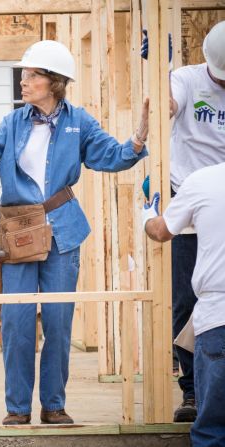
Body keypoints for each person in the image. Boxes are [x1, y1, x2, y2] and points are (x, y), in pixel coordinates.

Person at [0, 40, 149, 425]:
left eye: (32, 75)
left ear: (54, 82)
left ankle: (53, 405)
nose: (23, 81)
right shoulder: (13, 123)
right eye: (24, 74)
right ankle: (17, 409)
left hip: (63, 231)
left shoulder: (80, 122)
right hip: (19, 234)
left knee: (59, 322)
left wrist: (138, 140)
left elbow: (111, 156)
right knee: (16, 322)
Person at [143, 20, 225, 422]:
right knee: (188, 299)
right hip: (190, 195)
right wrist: (164, 106)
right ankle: (192, 391)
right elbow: (168, 104)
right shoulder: (188, 80)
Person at [143, 163, 225, 447]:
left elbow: (161, 230)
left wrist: (147, 215)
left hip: (217, 319)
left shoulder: (201, 181)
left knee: (212, 431)